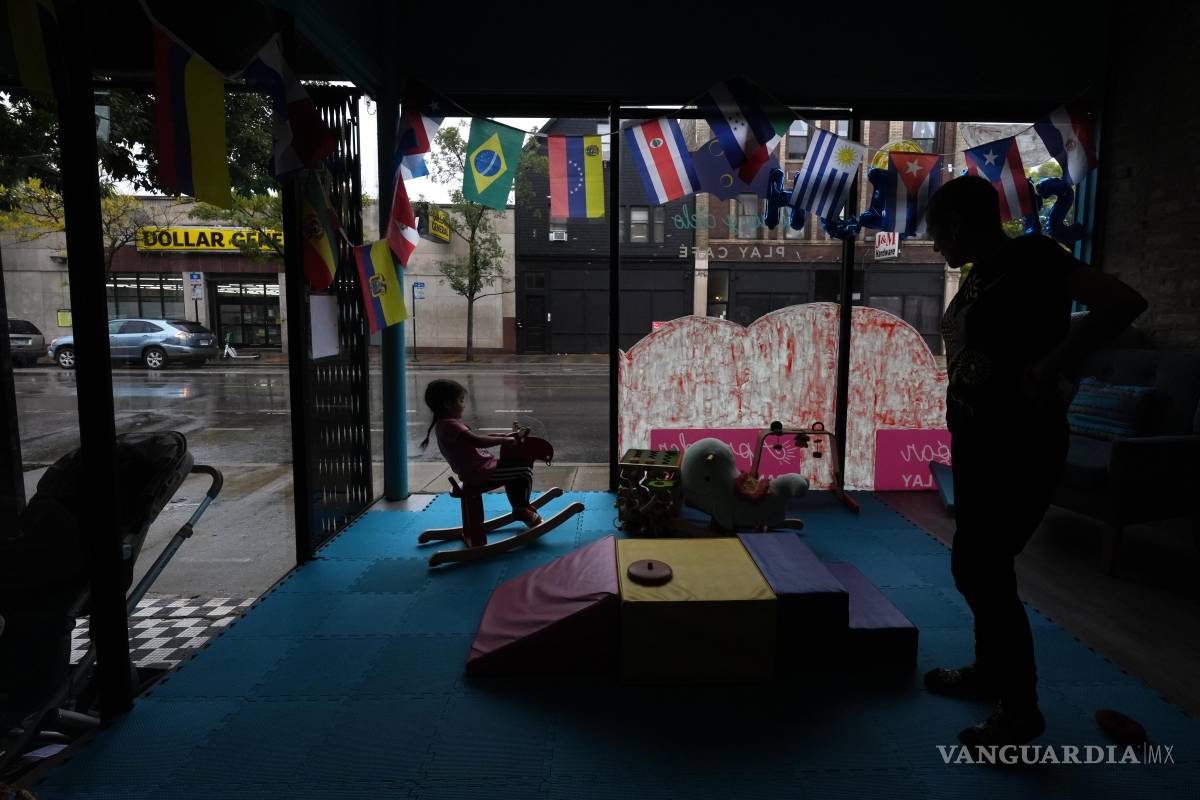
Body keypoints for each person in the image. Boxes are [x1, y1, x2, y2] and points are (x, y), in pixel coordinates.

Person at [924, 175, 1148, 748]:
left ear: (957, 224)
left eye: (937, 233)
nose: (935, 246)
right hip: (978, 443)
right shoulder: (982, 275)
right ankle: (991, 673)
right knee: (975, 566)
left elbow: (1122, 302)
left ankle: (1020, 712)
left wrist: (1054, 366)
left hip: (1019, 445)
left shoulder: (1035, 257)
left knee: (986, 570)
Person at [420, 379, 542, 528]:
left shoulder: (447, 423)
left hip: (479, 469)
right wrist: (505, 441)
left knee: (514, 468)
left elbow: (476, 439)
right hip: (479, 473)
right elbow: (478, 441)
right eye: (461, 400)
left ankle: (520, 505)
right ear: (447, 404)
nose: (463, 405)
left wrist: (503, 436)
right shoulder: (450, 425)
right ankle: (520, 508)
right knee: (524, 471)